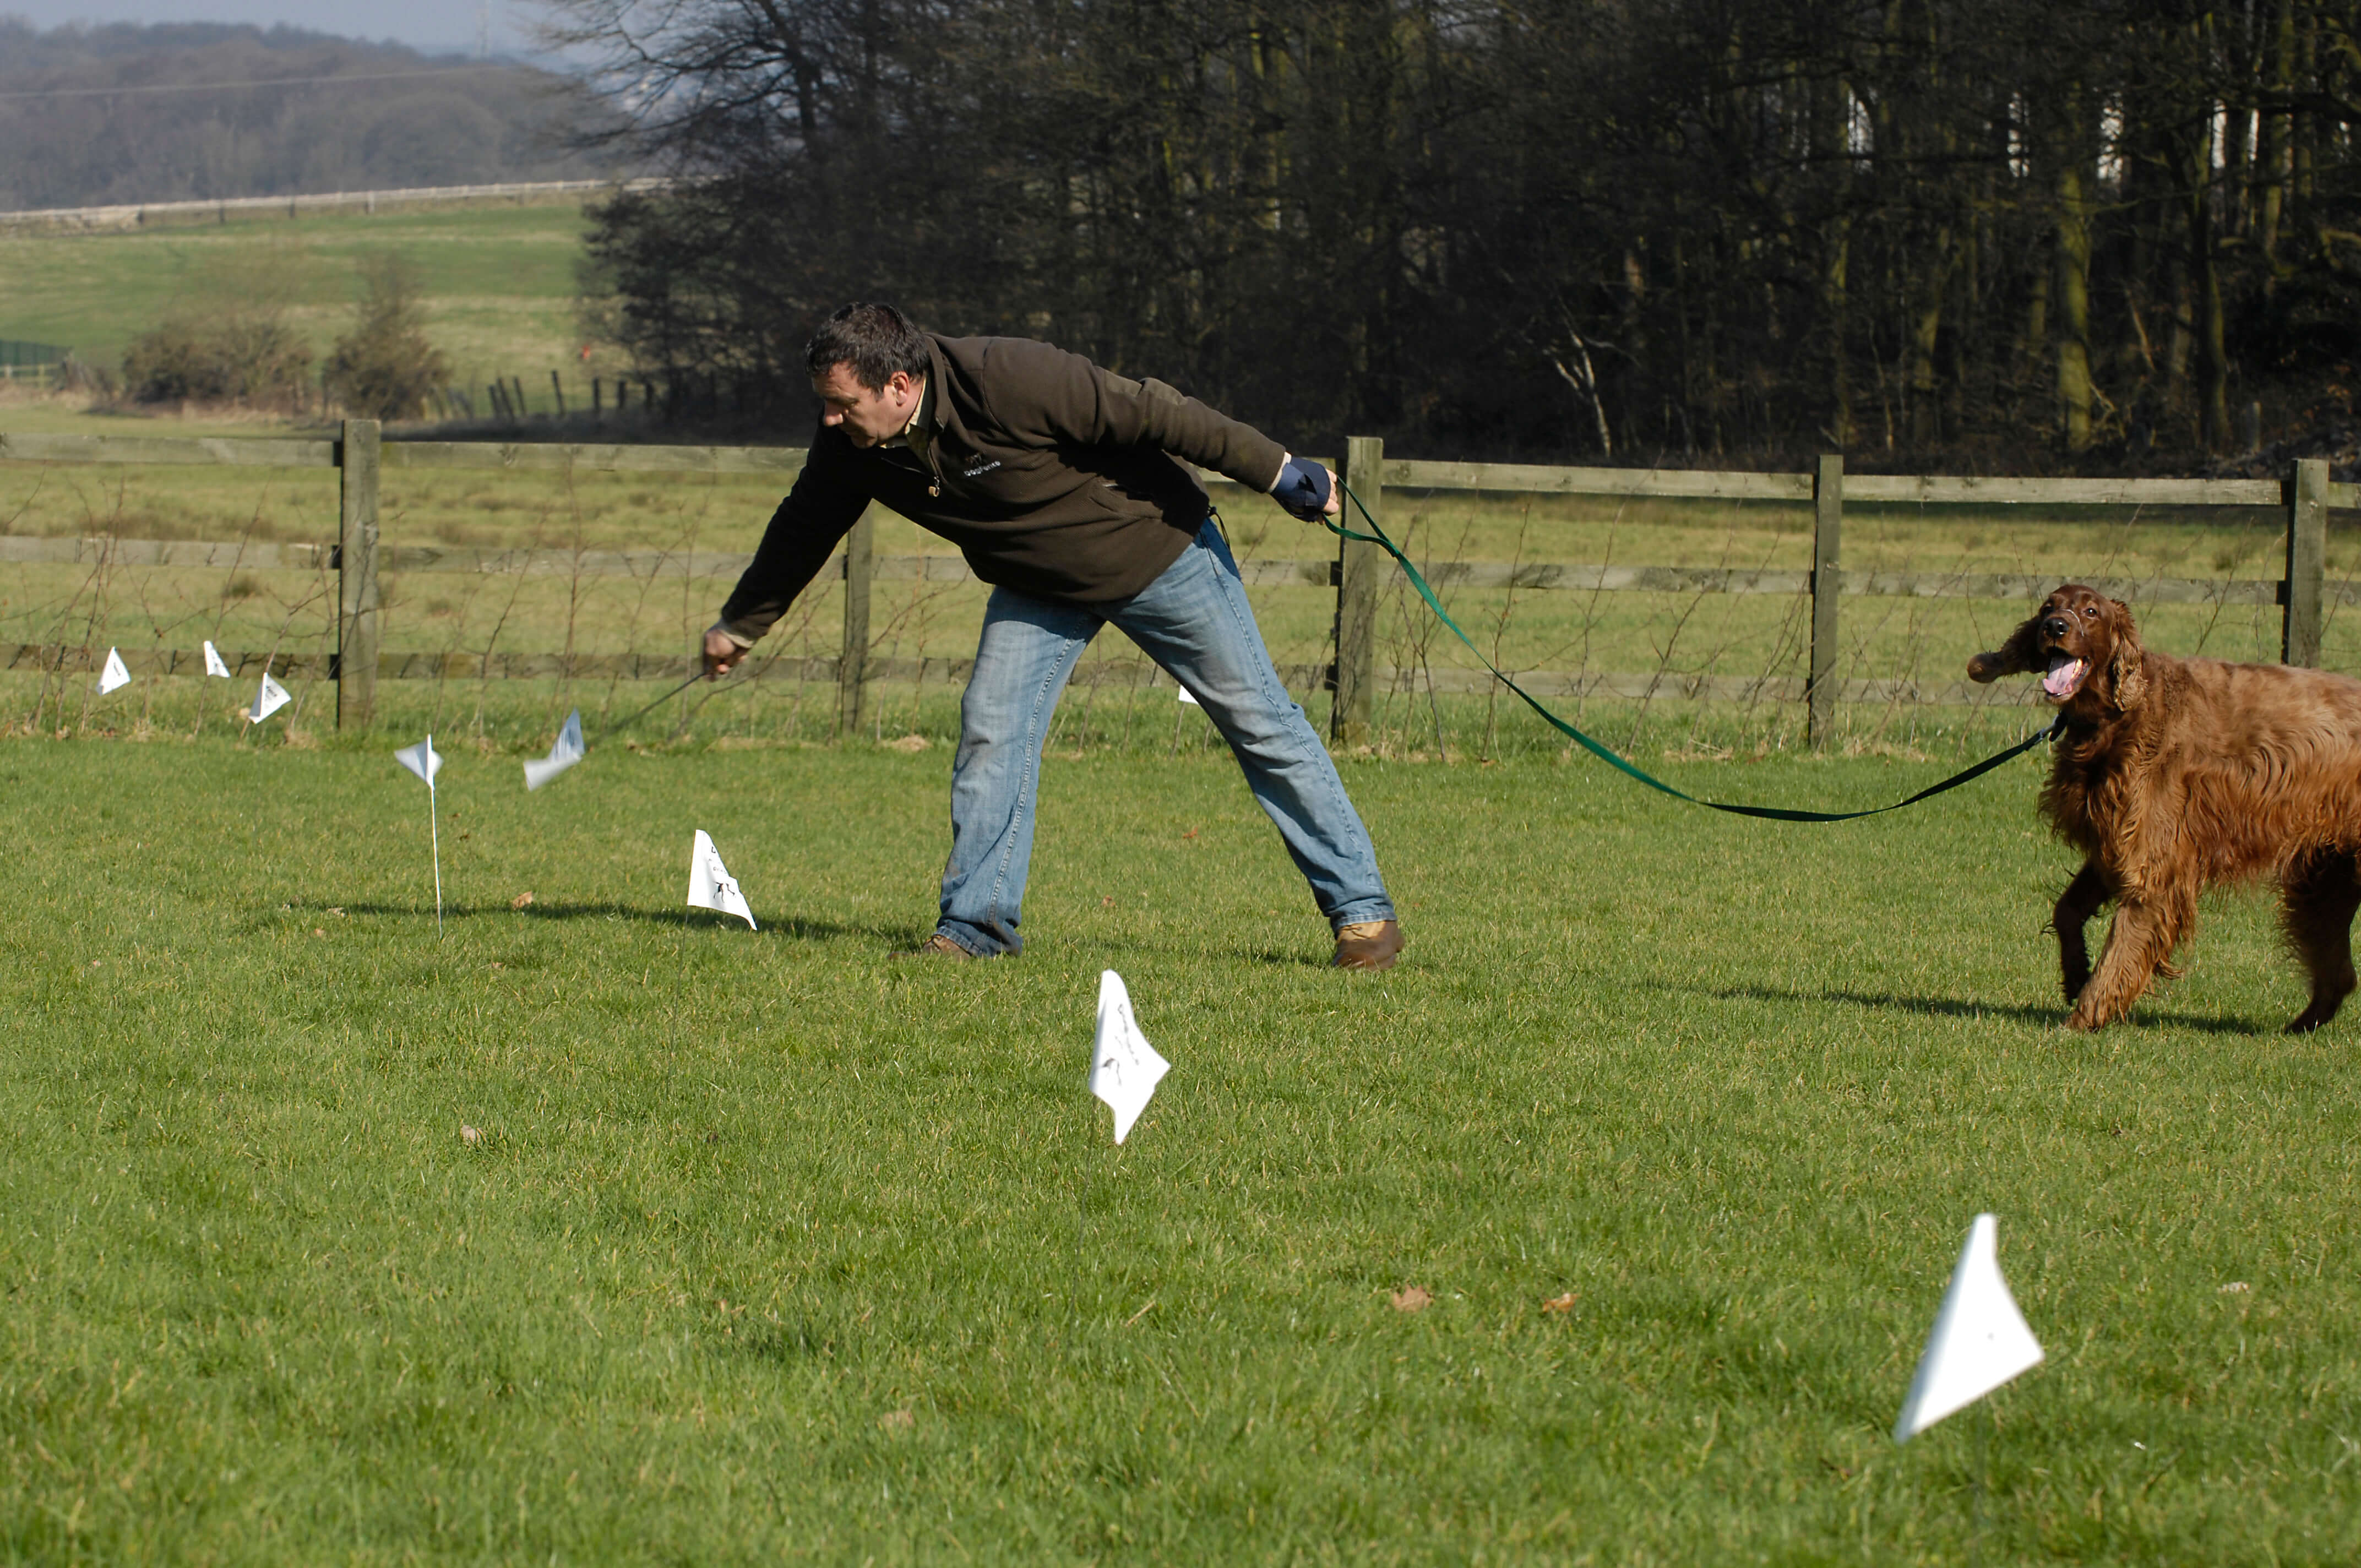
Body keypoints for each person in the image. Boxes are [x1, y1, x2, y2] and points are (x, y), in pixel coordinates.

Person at [704, 302, 1403, 970]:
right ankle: (974, 929)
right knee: (991, 726)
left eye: (842, 403)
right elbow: (804, 525)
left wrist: (1281, 474)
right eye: (825, 403)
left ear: (898, 384)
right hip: (1039, 582)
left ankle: (1364, 917)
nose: (829, 418)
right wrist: (742, 624)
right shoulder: (851, 443)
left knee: (1259, 721)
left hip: (1156, 552)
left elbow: (1159, 410)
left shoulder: (1009, 376)